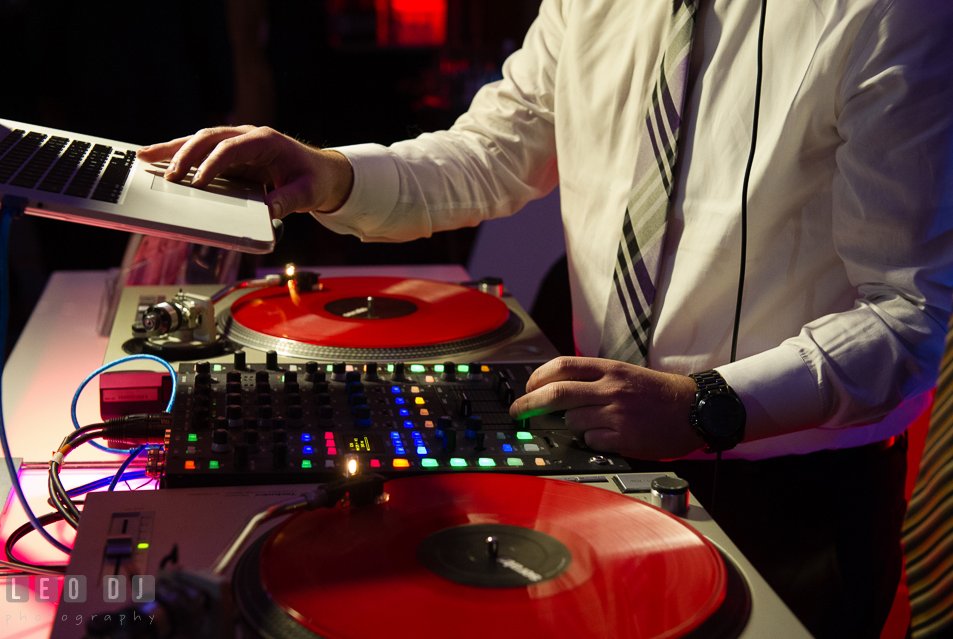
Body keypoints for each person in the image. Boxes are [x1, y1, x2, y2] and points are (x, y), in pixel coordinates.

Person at [138, 0, 953, 636]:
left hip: (791, 505)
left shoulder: (889, 16)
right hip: (597, 458)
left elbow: (909, 312)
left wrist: (700, 402)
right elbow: (495, 150)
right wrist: (332, 176)